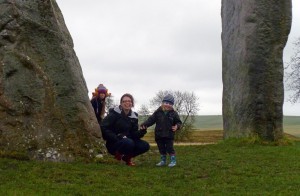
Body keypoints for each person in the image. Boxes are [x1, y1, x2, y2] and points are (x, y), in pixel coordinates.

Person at [100, 93, 150, 166]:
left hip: (128, 141)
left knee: (145, 145)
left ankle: (127, 158)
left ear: (132, 103)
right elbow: (103, 127)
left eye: (129, 101)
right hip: (114, 143)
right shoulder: (114, 114)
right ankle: (117, 157)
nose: (127, 103)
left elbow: (134, 134)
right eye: (124, 101)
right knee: (129, 142)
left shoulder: (134, 116)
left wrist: (142, 131)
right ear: (121, 103)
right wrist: (116, 137)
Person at [140, 94, 182, 167]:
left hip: (169, 135)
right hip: (159, 134)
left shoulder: (174, 114)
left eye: (170, 104)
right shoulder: (157, 112)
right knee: (161, 148)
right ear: (162, 103)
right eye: (166, 103)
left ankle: (173, 161)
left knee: (170, 148)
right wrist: (144, 125)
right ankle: (163, 161)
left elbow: (179, 122)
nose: (167, 105)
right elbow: (151, 120)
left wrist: (177, 126)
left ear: (172, 105)